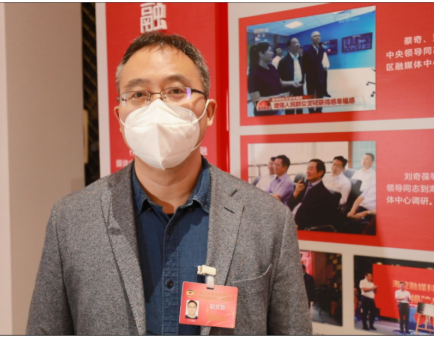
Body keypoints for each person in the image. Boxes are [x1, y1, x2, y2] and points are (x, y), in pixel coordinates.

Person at [27, 32, 312, 336]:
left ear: (208, 112)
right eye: (138, 94)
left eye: (176, 91)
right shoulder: (71, 219)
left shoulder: (268, 219)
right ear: (120, 118)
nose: (156, 109)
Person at [288, 159, 338, 230]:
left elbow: (316, 218)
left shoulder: (324, 194)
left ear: (320, 172)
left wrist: (299, 226)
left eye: (311, 169)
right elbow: (290, 205)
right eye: (307, 169)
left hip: (300, 226)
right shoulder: (303, 186)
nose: (307, 171)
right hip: (290, 219)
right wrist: (295, 193)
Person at [248, 42, 283, 116]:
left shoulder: (272, 68)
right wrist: (278, 98)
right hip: (264, 114)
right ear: (261, 54)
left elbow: (279, 82)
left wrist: (292, 83)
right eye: (269, 50)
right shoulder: (254, 75)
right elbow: (257, 101)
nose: (272, 53)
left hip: (277, 109)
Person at [302, 31, 329, 113]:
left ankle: (319, 110)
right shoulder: (307, 51)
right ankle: (311, 111)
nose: (318, 37)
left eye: (319, 36)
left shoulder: (322, 50)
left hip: (320, 77)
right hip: (311, 78)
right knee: (311, 96)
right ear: (311, 38)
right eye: (315, 36)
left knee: (320, 95)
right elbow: (304, 66)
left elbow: (321, 62)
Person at [278, 38, 305, 115]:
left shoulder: (301, 59)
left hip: (300, 87)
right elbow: (280, 78)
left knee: (300, 109)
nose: (297, 44)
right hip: (289, 89)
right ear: (289, 47)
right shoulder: (283, 61)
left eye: (298, 42)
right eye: (294, 43)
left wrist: (302, 82)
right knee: (290, 111)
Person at [348, 153, 377, 219]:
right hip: (354, 196)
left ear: (372, 162)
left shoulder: (374, 174)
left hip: (364, 199)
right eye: (363, 158)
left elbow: (366, 193)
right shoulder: (357, 172)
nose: (364, 161)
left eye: (367, 159)